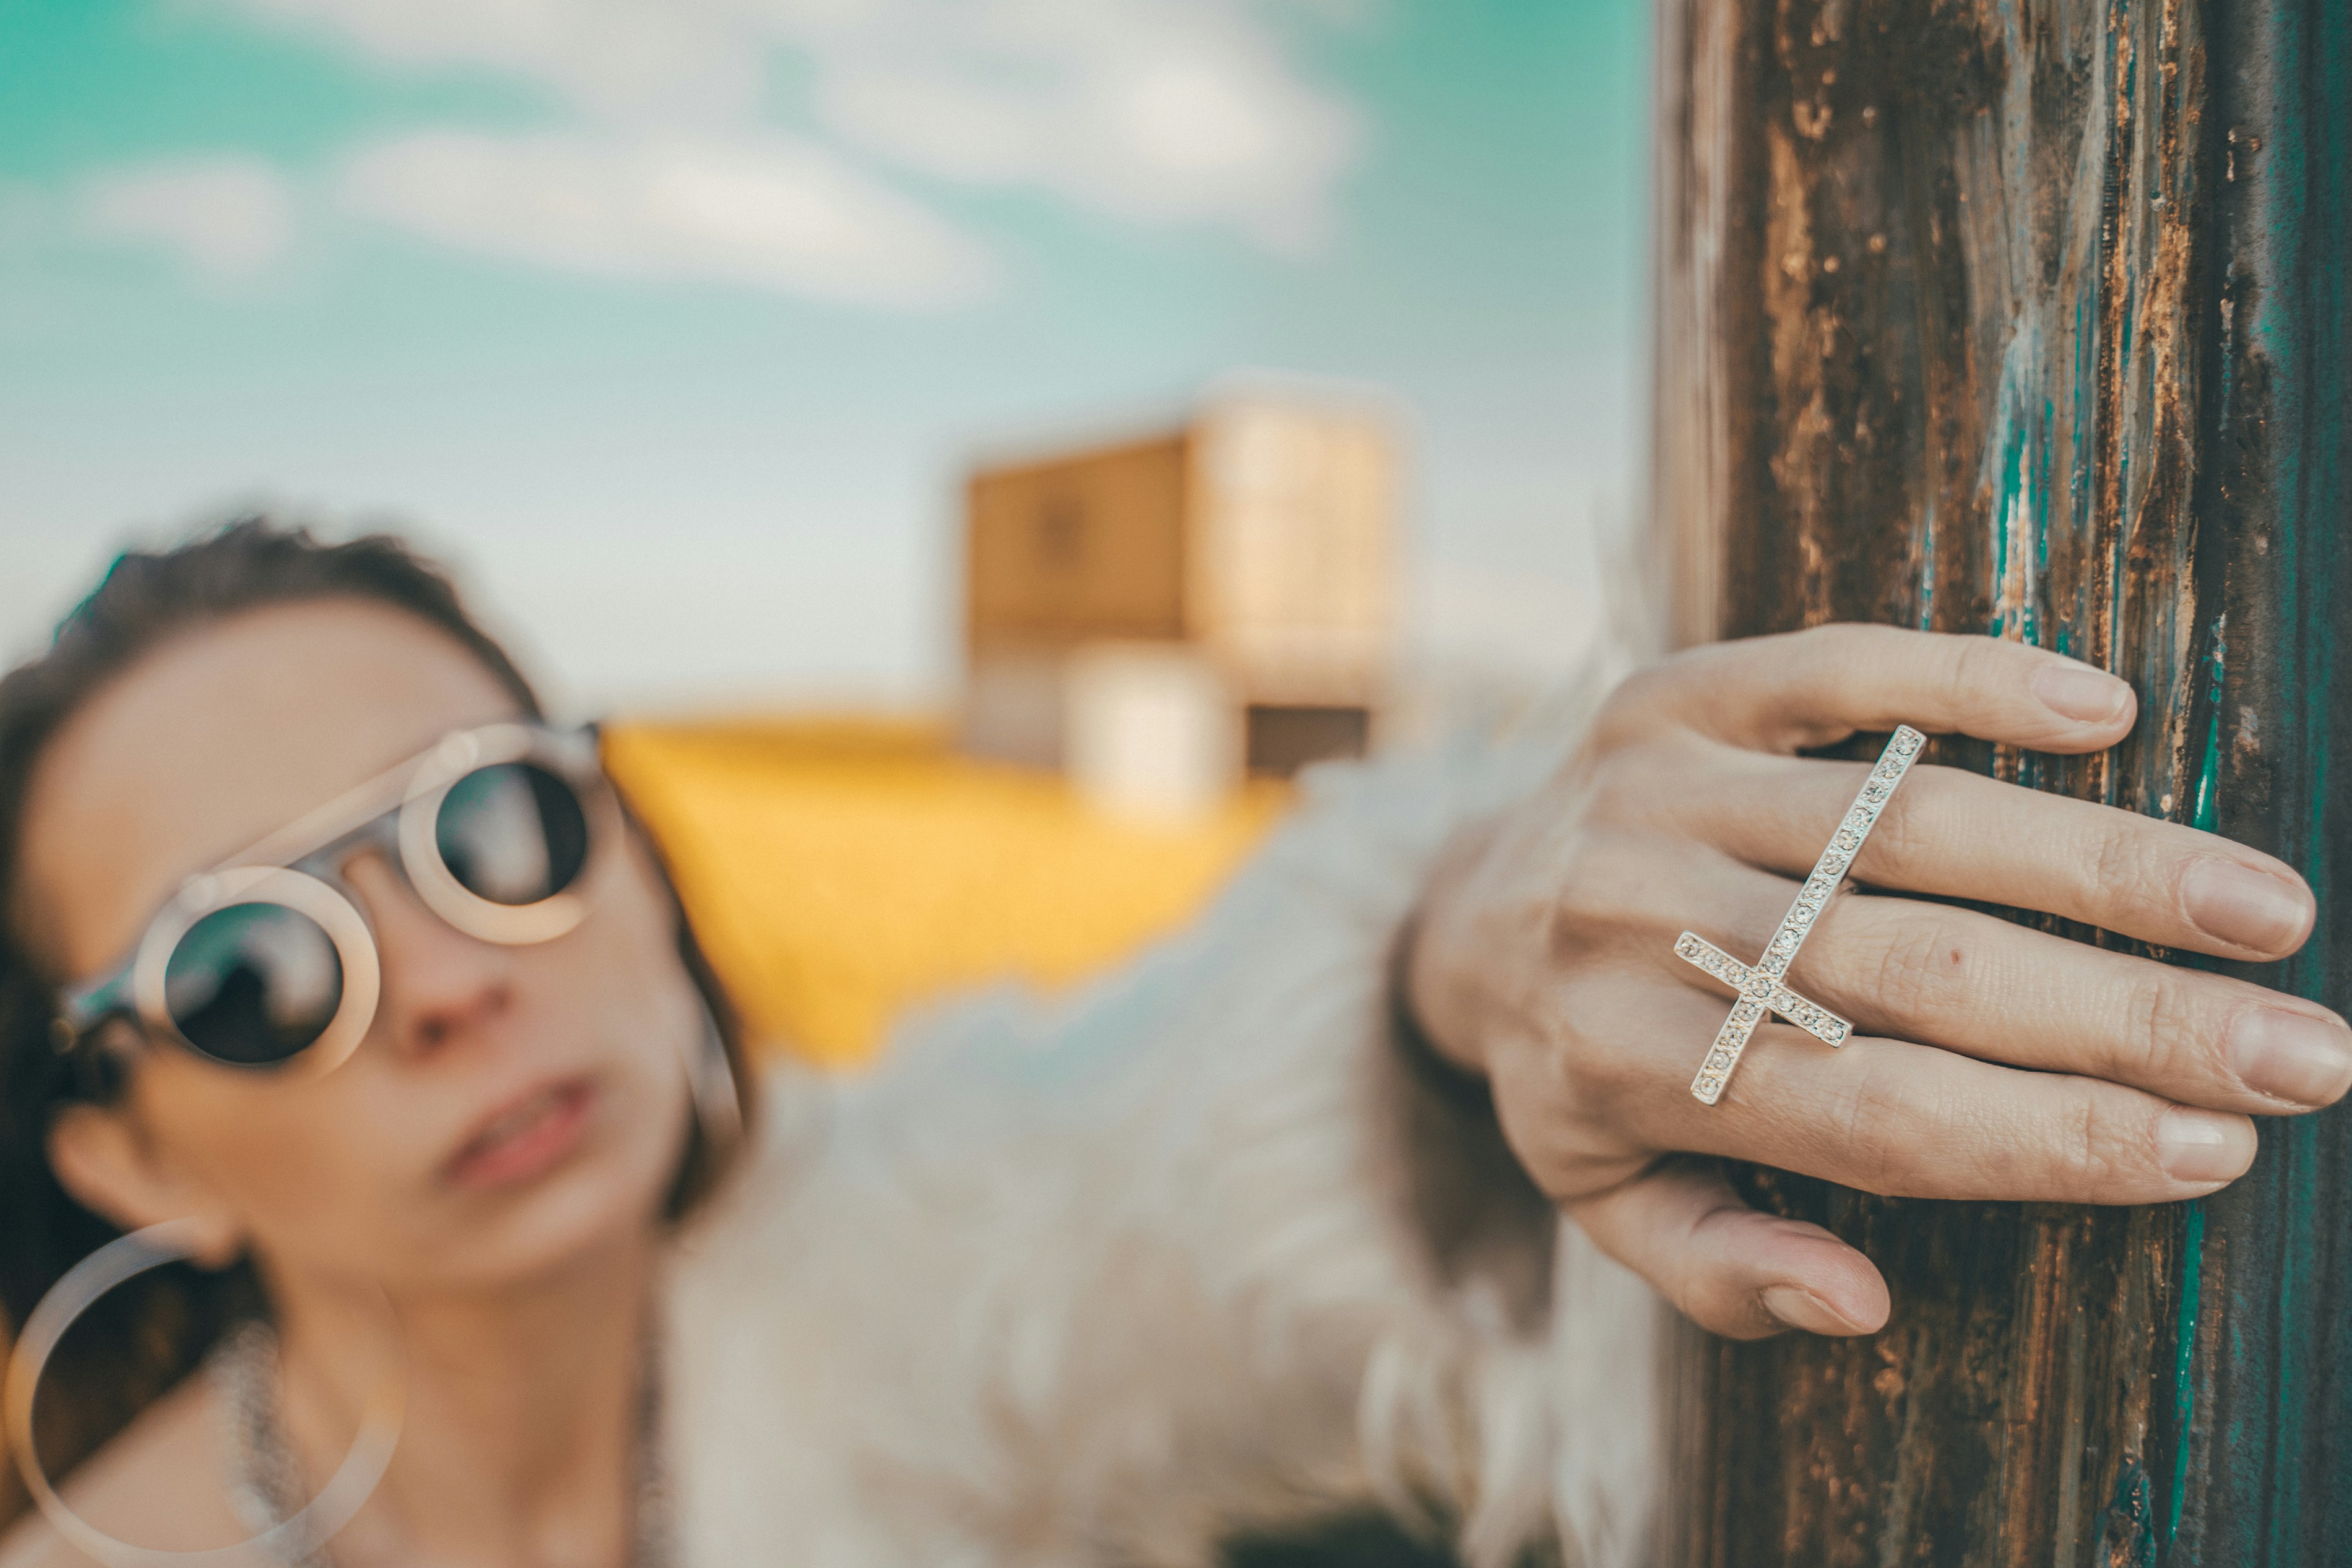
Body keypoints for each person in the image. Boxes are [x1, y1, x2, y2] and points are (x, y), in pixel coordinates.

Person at [0, 520, 2336, 1567]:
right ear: (129, 1157)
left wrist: (1455, 965)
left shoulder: (891, 1281)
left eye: (491, 825)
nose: (445, 978)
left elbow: (1156, 1164)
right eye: (251, 969)